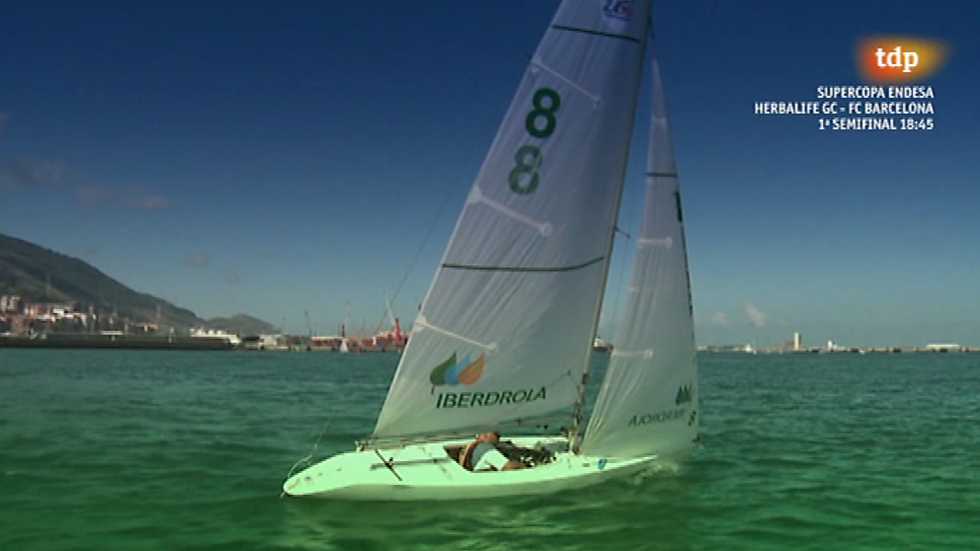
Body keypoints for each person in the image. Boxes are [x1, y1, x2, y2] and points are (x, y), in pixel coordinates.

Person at [458, 432, 525, 472]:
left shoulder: (469, 446)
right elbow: (508, 467)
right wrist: (522, 464)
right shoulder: (486, 449)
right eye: (496, 434)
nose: (499, 437)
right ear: (485, 435)